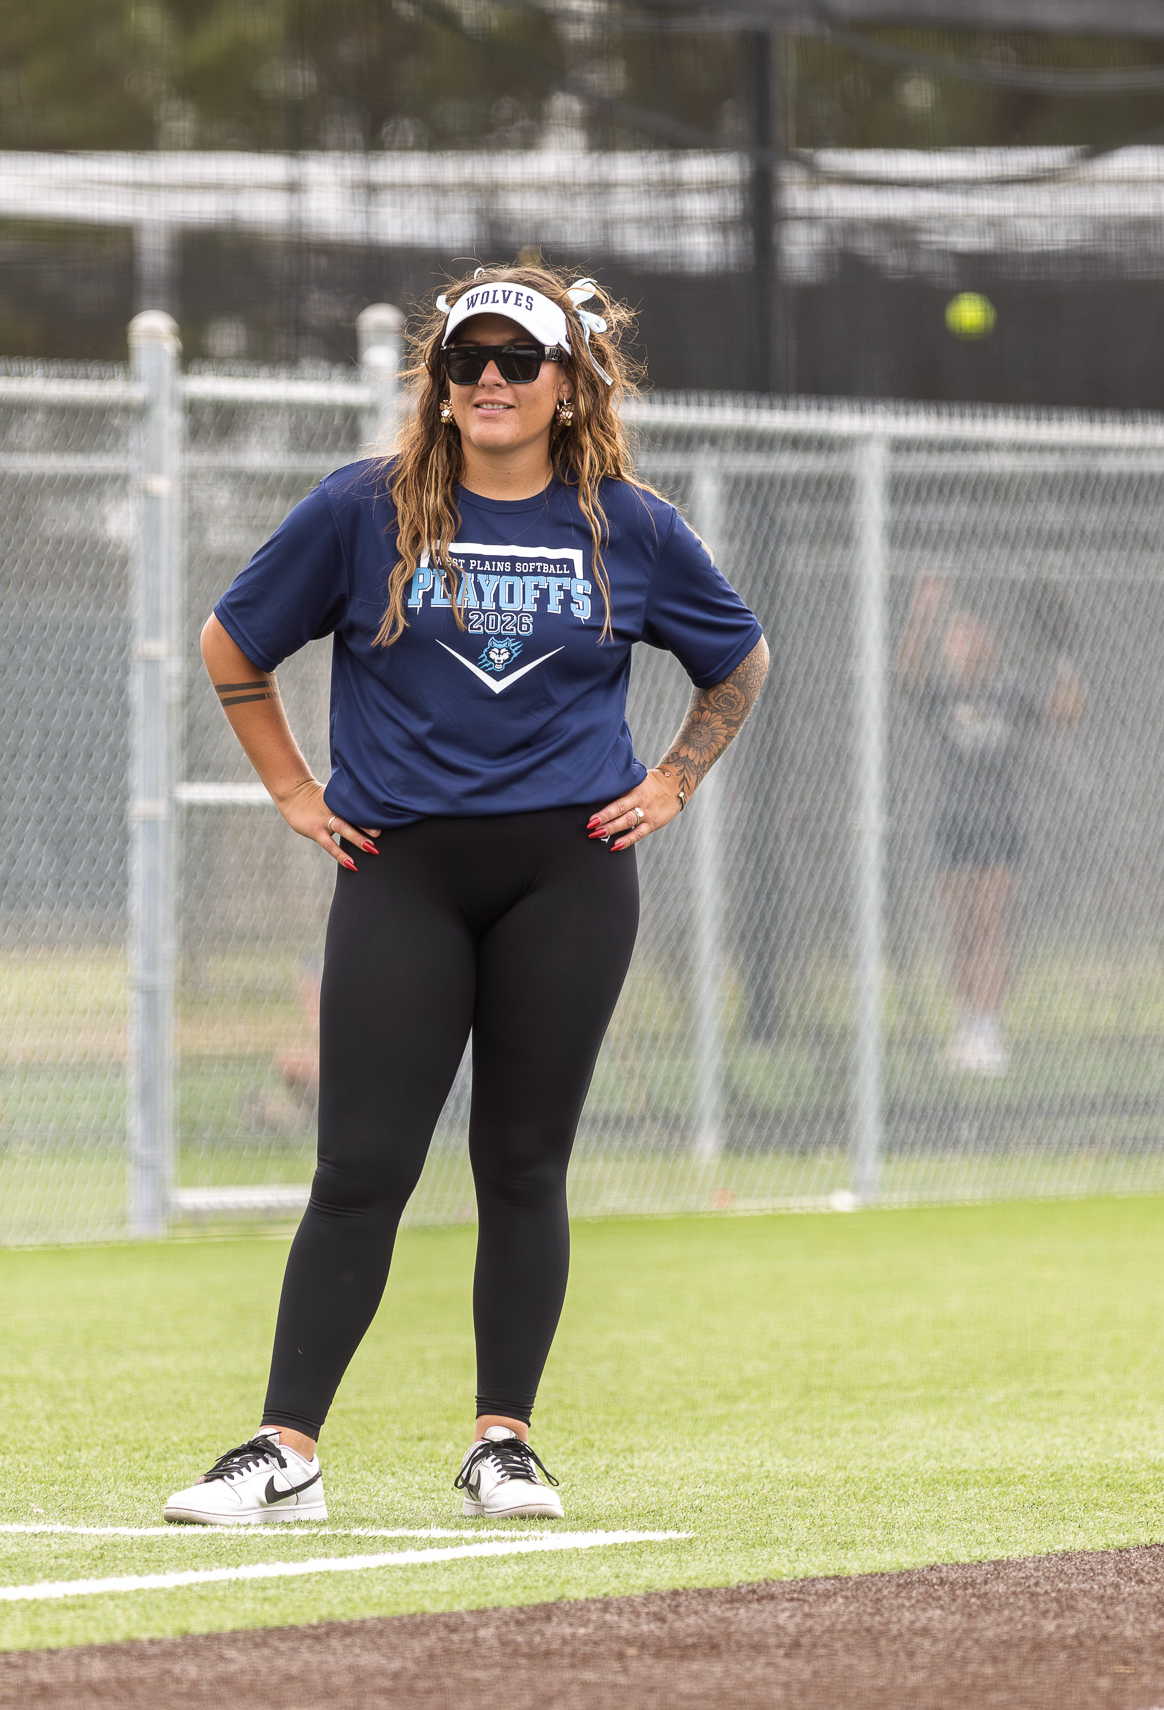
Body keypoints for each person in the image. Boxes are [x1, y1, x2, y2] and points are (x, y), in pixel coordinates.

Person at [164, 266, 769, 1525]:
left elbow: (737, 658)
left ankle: (502, 1445)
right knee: (360, 1165)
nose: (488, 381)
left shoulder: (629, 526)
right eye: (464, 361)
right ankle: (285, 1452)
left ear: (567, 383)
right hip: (403, 871)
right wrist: (288, 789)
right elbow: (233, 642)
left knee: (521, 1161)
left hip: (568, 873)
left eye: (516, 361)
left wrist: (669, 784)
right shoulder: (359, 511)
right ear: (435, 386)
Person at [897, 576, 1084, 1076]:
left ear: (990, 644)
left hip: (1000, 828)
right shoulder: (940, 696)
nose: (965, 648)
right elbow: (907, 674)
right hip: (951, 827)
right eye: (956, 641)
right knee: (960, 930)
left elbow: (1065, 713)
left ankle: (989, 1029)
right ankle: (965, 1028)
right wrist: (923, 614)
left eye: (973, 638)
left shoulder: (1011, 694)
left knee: (991, 925)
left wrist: (1067, 666)